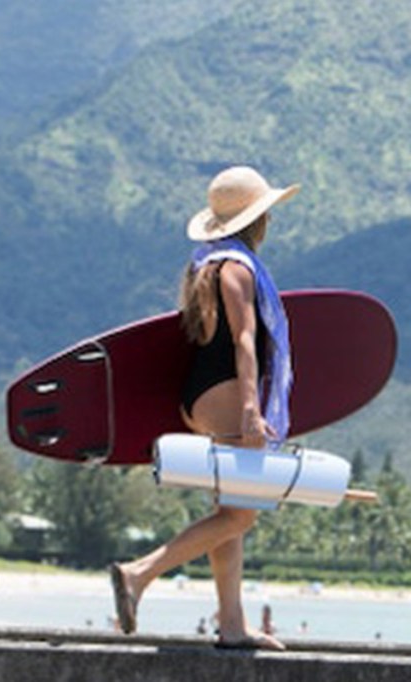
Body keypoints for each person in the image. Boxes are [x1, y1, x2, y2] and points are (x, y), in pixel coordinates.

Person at [109, 166, 300, 651]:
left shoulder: (205, 265)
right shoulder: (237, 268)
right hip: (227, 397)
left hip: (200, 397)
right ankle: (139, 574)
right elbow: (244, 341)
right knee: (241, 516)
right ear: (256, 222)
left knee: (229, 512)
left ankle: (232, 624)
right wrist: (252, 411)